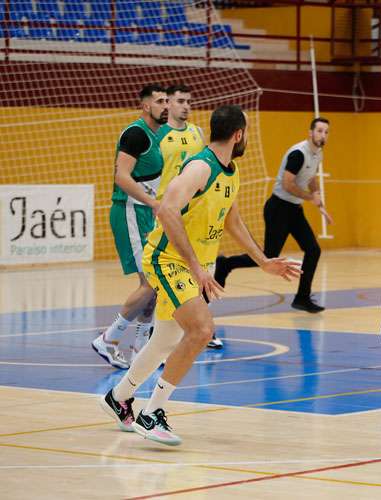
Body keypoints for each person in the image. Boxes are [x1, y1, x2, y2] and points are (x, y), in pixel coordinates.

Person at [100, 105, 301, 446]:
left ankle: (119, 398)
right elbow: (166, 210)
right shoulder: (199, 167)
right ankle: (152, 414)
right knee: (202, 330)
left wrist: (264, 260)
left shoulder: (230, 171)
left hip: (195, 265)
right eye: (247, 131)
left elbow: (232, 221)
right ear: (238, 134)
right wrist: (195, 266)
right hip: (167, 260)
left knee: (165, 340)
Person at [214, 117, 333, 313]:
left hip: (294, 209)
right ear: (310, 132)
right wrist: (310, 198)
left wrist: (316, 193)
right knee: (269, 256)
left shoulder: (317, 152)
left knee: (313, 250)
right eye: (319, 131)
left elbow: (311, 177)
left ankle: (302, 298)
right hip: (279, 207)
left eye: (326, 132)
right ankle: (226, 264)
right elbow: (288, 184)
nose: (323, 135)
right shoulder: (299, 154)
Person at [92, 84, 167, 369]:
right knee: (150, 282)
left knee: (154, 284)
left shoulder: (155, 135)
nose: (166, 106)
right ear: (146, 105)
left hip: (143, 213)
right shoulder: (135, 134)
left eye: (167, 101)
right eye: (160, 101)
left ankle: (139, 346)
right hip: (129, 211)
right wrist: (153, 202)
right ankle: (109, 339)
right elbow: (122, 177)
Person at [155, 83, 224, 350]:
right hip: (166, 211)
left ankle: (202, 326)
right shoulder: (158, 134)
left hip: (194, 214)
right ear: (168, 103)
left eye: (189, 102)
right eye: (181, 101)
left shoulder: (197, 133)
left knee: (202, 268)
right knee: (162, 277)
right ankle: (155, 333)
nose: (186, 106)